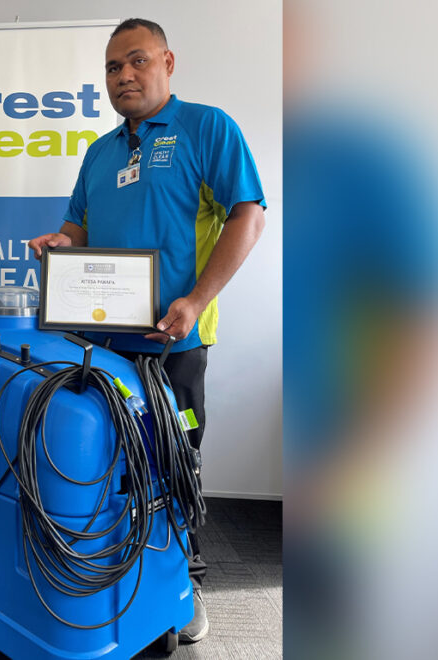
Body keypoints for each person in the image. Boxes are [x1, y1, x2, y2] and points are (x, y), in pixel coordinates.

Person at [29, 19, 266, 643]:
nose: (123, 76)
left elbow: (250, 213)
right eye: (112, 68)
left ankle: (182, 581)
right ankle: (119, 571)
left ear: (166, 61)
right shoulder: (101, 151)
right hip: (103, 345)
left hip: (173, 343)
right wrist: (60, 244)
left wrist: (196, 299)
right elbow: (76, 229)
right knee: (110, 459)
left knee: (174, 459)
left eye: (135, 61)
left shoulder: (205, 128)